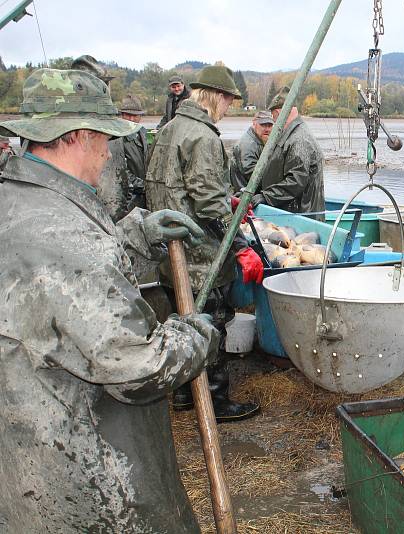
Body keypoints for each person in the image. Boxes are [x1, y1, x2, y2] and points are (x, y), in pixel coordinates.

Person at [0, 67, 218, 533]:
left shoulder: (18, 200)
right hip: (82, 475)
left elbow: (56, 286)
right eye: (104, 138)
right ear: (77, 136)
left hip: (21, 449)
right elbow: (137, 366)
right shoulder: (68, 238)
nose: (107, 152)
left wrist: (134, 233)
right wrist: (195, 335)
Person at [145, 63, 262, 422]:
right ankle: (214, 400)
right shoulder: (204, 136)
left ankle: (183, 393)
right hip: (200, 256)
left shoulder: (169, 129)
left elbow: (176, 184)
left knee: (181, 322)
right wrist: (241, 247)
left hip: (170, 250)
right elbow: (209, 205)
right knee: (211, 325)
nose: (229, 109)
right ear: (215, 97)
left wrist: (225, 198)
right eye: (228, 100)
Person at [70, 54, 133, 222]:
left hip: (113, 212)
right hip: (94, 218)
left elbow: (119, 174)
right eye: (100, 84)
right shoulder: (75, 130)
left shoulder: (109, 127)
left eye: (105, 84)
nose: (105, 89)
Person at [251, 86, 325, 219]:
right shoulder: (291, 134)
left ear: (279, 114)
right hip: (294, 214)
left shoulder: (299, 139)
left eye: (274, 118)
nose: (274, 123)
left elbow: (296, 181)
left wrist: (266, 196)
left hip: (303, 217)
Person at [231, 109, 274, 191]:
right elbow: (253, 175)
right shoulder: (247, 145)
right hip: (243, 195)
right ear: (254, 124)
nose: (267, 129)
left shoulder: (260, 140)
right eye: (263, 125)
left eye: (270, 125)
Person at [119, 94, 149, 210]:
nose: (131, 119)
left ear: (140, 116)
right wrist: (144, 186)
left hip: (142, 198)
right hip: (126, 199)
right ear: (122, 115)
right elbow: (120, 172)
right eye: (127, 115)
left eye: (134, 116)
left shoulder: (142, 132)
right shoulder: (115, 138)